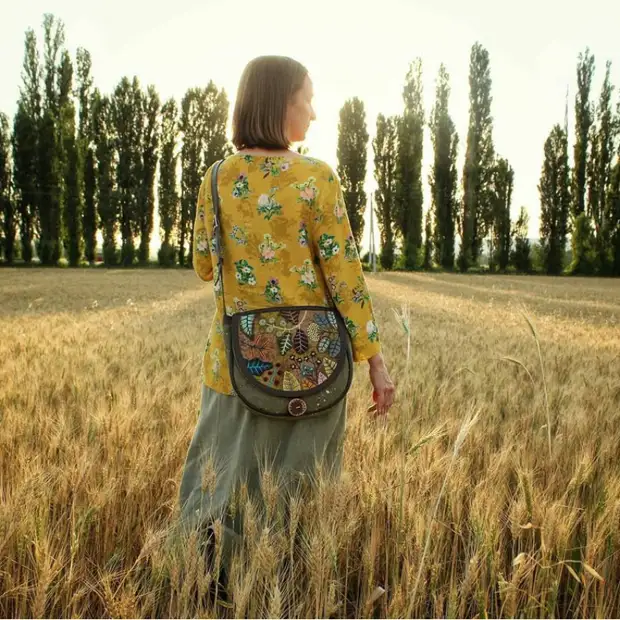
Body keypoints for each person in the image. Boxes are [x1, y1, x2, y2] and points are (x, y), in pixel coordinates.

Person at [177, 55, 395, 585]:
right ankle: (287, 590)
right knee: (300, 496)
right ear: (280, 104)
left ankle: (206, 584)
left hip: (234, 365)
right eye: (307, 99)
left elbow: (205, 266)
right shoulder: (316, 178)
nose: (314, 114)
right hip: (313, 364)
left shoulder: (217, 178)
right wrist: (376, 363)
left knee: (219, 488)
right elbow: (345, 276)